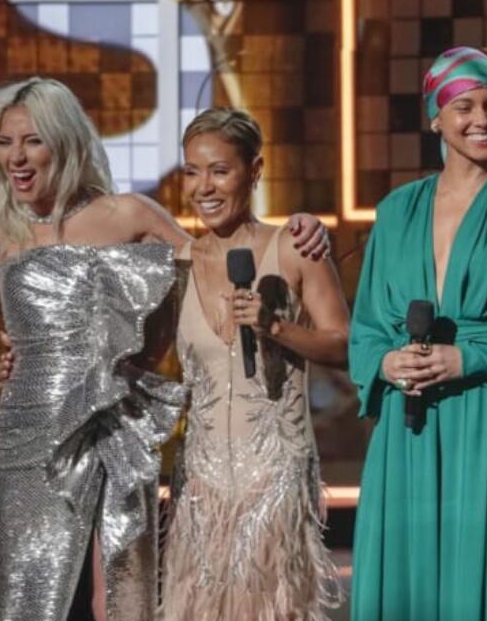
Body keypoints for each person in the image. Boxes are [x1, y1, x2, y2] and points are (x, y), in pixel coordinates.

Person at [0, 76, 327, 621]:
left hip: (118, 429)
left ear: (66, 140)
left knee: (122, 603)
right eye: (5, 143)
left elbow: (217, 265)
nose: (16, 157)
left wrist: (300, 230)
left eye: (31, 140)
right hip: (33, 434)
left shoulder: (129, 215)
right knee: (23, 600)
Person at [348, 46, 487, 620]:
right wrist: (387, 364)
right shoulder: (396, 211)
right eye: (464, 106)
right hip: (409, 433)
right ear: (435, 117)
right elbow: (366, 329)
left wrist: (474, 358)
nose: (482, 120)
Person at [157, 107, 349, 620]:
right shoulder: (175, 265)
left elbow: (345, 345)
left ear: (255, 171)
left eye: (220, 170)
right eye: (193, 172)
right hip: (201, 485)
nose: (204, 187)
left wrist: (278, 328)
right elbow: (141, 364)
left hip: (274, 473)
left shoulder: (293, 247)